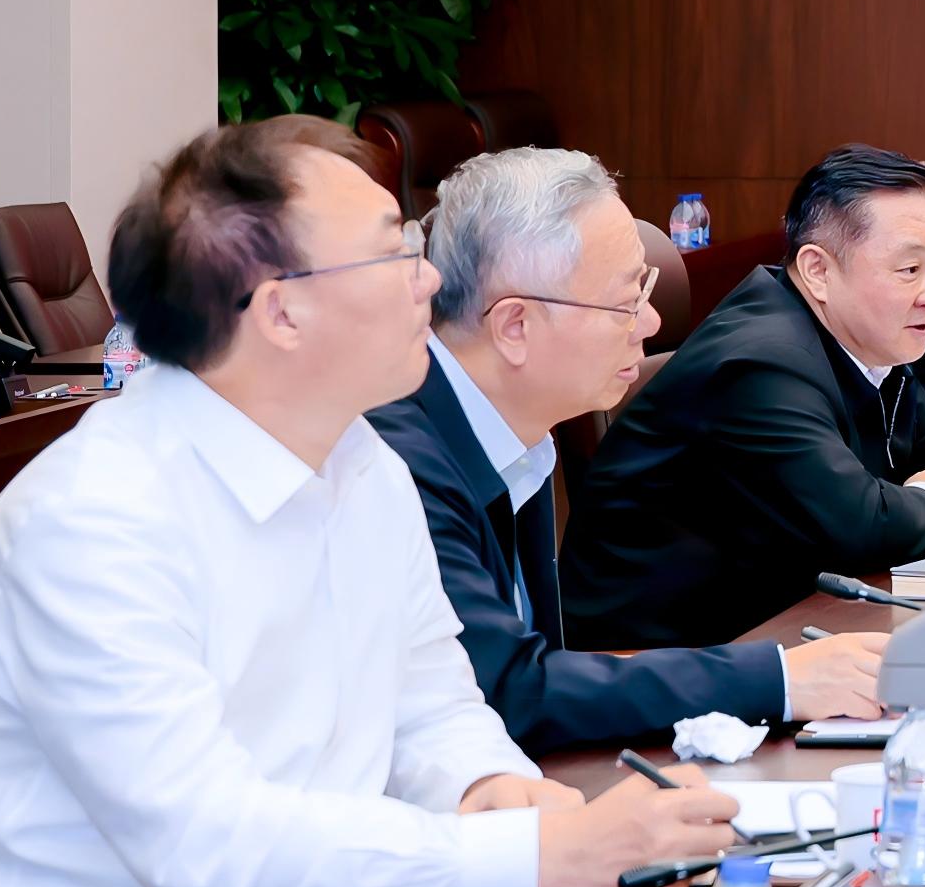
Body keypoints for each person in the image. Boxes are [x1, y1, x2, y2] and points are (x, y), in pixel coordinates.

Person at [0, 119, 736, 887]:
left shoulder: (362, 461)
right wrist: (529, 855)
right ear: (282, 313)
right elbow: (213, 851)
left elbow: (432, 703)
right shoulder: (93, 524)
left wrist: (492, 787)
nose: (430, 282)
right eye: (393, 253)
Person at [369, 147, 889, 751]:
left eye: (647, 288)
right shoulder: (402, 461)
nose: (650, 323)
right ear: (514, 326)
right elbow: (509, 690)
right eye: (625, 303)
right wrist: (778, 680)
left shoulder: (515, 429)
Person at [568, 145, 925, 652]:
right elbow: (860, 527)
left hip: (774, 618)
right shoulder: (759, 363)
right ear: (817, 270)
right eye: (909, 270)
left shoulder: (864, 334)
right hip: (655, 661)